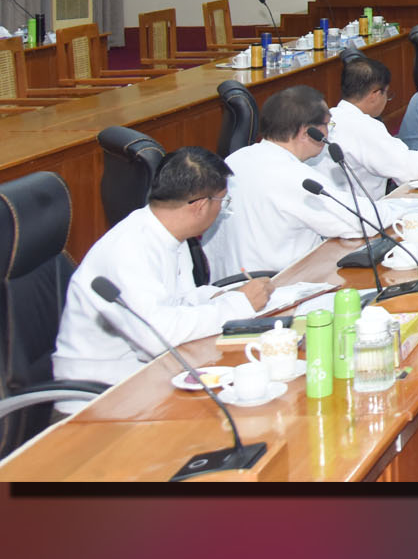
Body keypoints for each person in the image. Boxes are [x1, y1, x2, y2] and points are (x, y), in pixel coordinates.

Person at [54, 147, 272, 388]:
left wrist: (222, 295)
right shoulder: (129, 250)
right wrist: (238, 305)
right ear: (200, 205)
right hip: (104, 389)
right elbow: (157, 337)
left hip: (152, 371)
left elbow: (179, 301)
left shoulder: (169, 233)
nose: (222, 209)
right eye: (223, 201)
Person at [206, 86, 400, 274]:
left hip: (227, 284)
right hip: (277, 285)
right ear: (308, 133)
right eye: (328, 125)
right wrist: (404, 208)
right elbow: (366, 221)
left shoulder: (235, 158)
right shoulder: (293, 176)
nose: (329, 132)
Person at [328, 54, 418, 194]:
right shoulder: (364, 127)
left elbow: (398, 157)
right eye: (387, 93)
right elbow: (408, 169)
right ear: (375, 94)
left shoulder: (329, 117)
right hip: (363, 205)